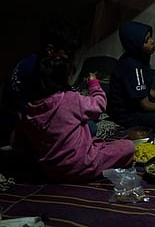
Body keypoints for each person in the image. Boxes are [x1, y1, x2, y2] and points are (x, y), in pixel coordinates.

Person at [12, 55, 134, 182]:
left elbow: (17, 143)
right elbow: (99, 104)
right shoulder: (69, 99)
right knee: (128, 146)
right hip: (83, 166)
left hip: (51, 171)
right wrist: (94, 84)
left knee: (88, 127)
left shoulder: (28, 109)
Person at [0, 17, 83, 148]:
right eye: (68, 53)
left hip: (25, 119)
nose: (72, 58)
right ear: (50, 50)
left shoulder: (37, 59)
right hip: (16, 129)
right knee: (87, 127)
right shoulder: (38, 73)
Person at [107, 21, 155, 131]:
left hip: (139, 104)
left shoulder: (140, 57)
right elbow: (145, 105)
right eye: (146, 40)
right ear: (135, 45)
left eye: (150, 37)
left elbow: (144, 88)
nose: (152, 41)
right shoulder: (132, 66)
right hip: (128, 115)